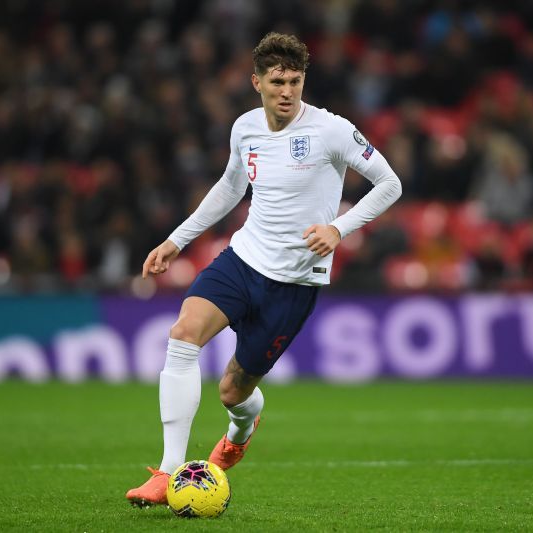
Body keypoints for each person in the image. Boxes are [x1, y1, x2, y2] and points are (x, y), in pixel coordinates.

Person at [125, 32, 402, 506]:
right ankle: (168, 472)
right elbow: (231, 187)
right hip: (243, 259)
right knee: (183, 334)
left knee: (232, 391)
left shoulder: (331, 130)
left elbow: (389, 183)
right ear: (257, 82)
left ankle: (241, 428)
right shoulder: (245, 128)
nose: (287, 91)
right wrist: (177, 240)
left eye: (295, 81)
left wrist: (339, 228)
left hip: (294, 283)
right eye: (277, 81)